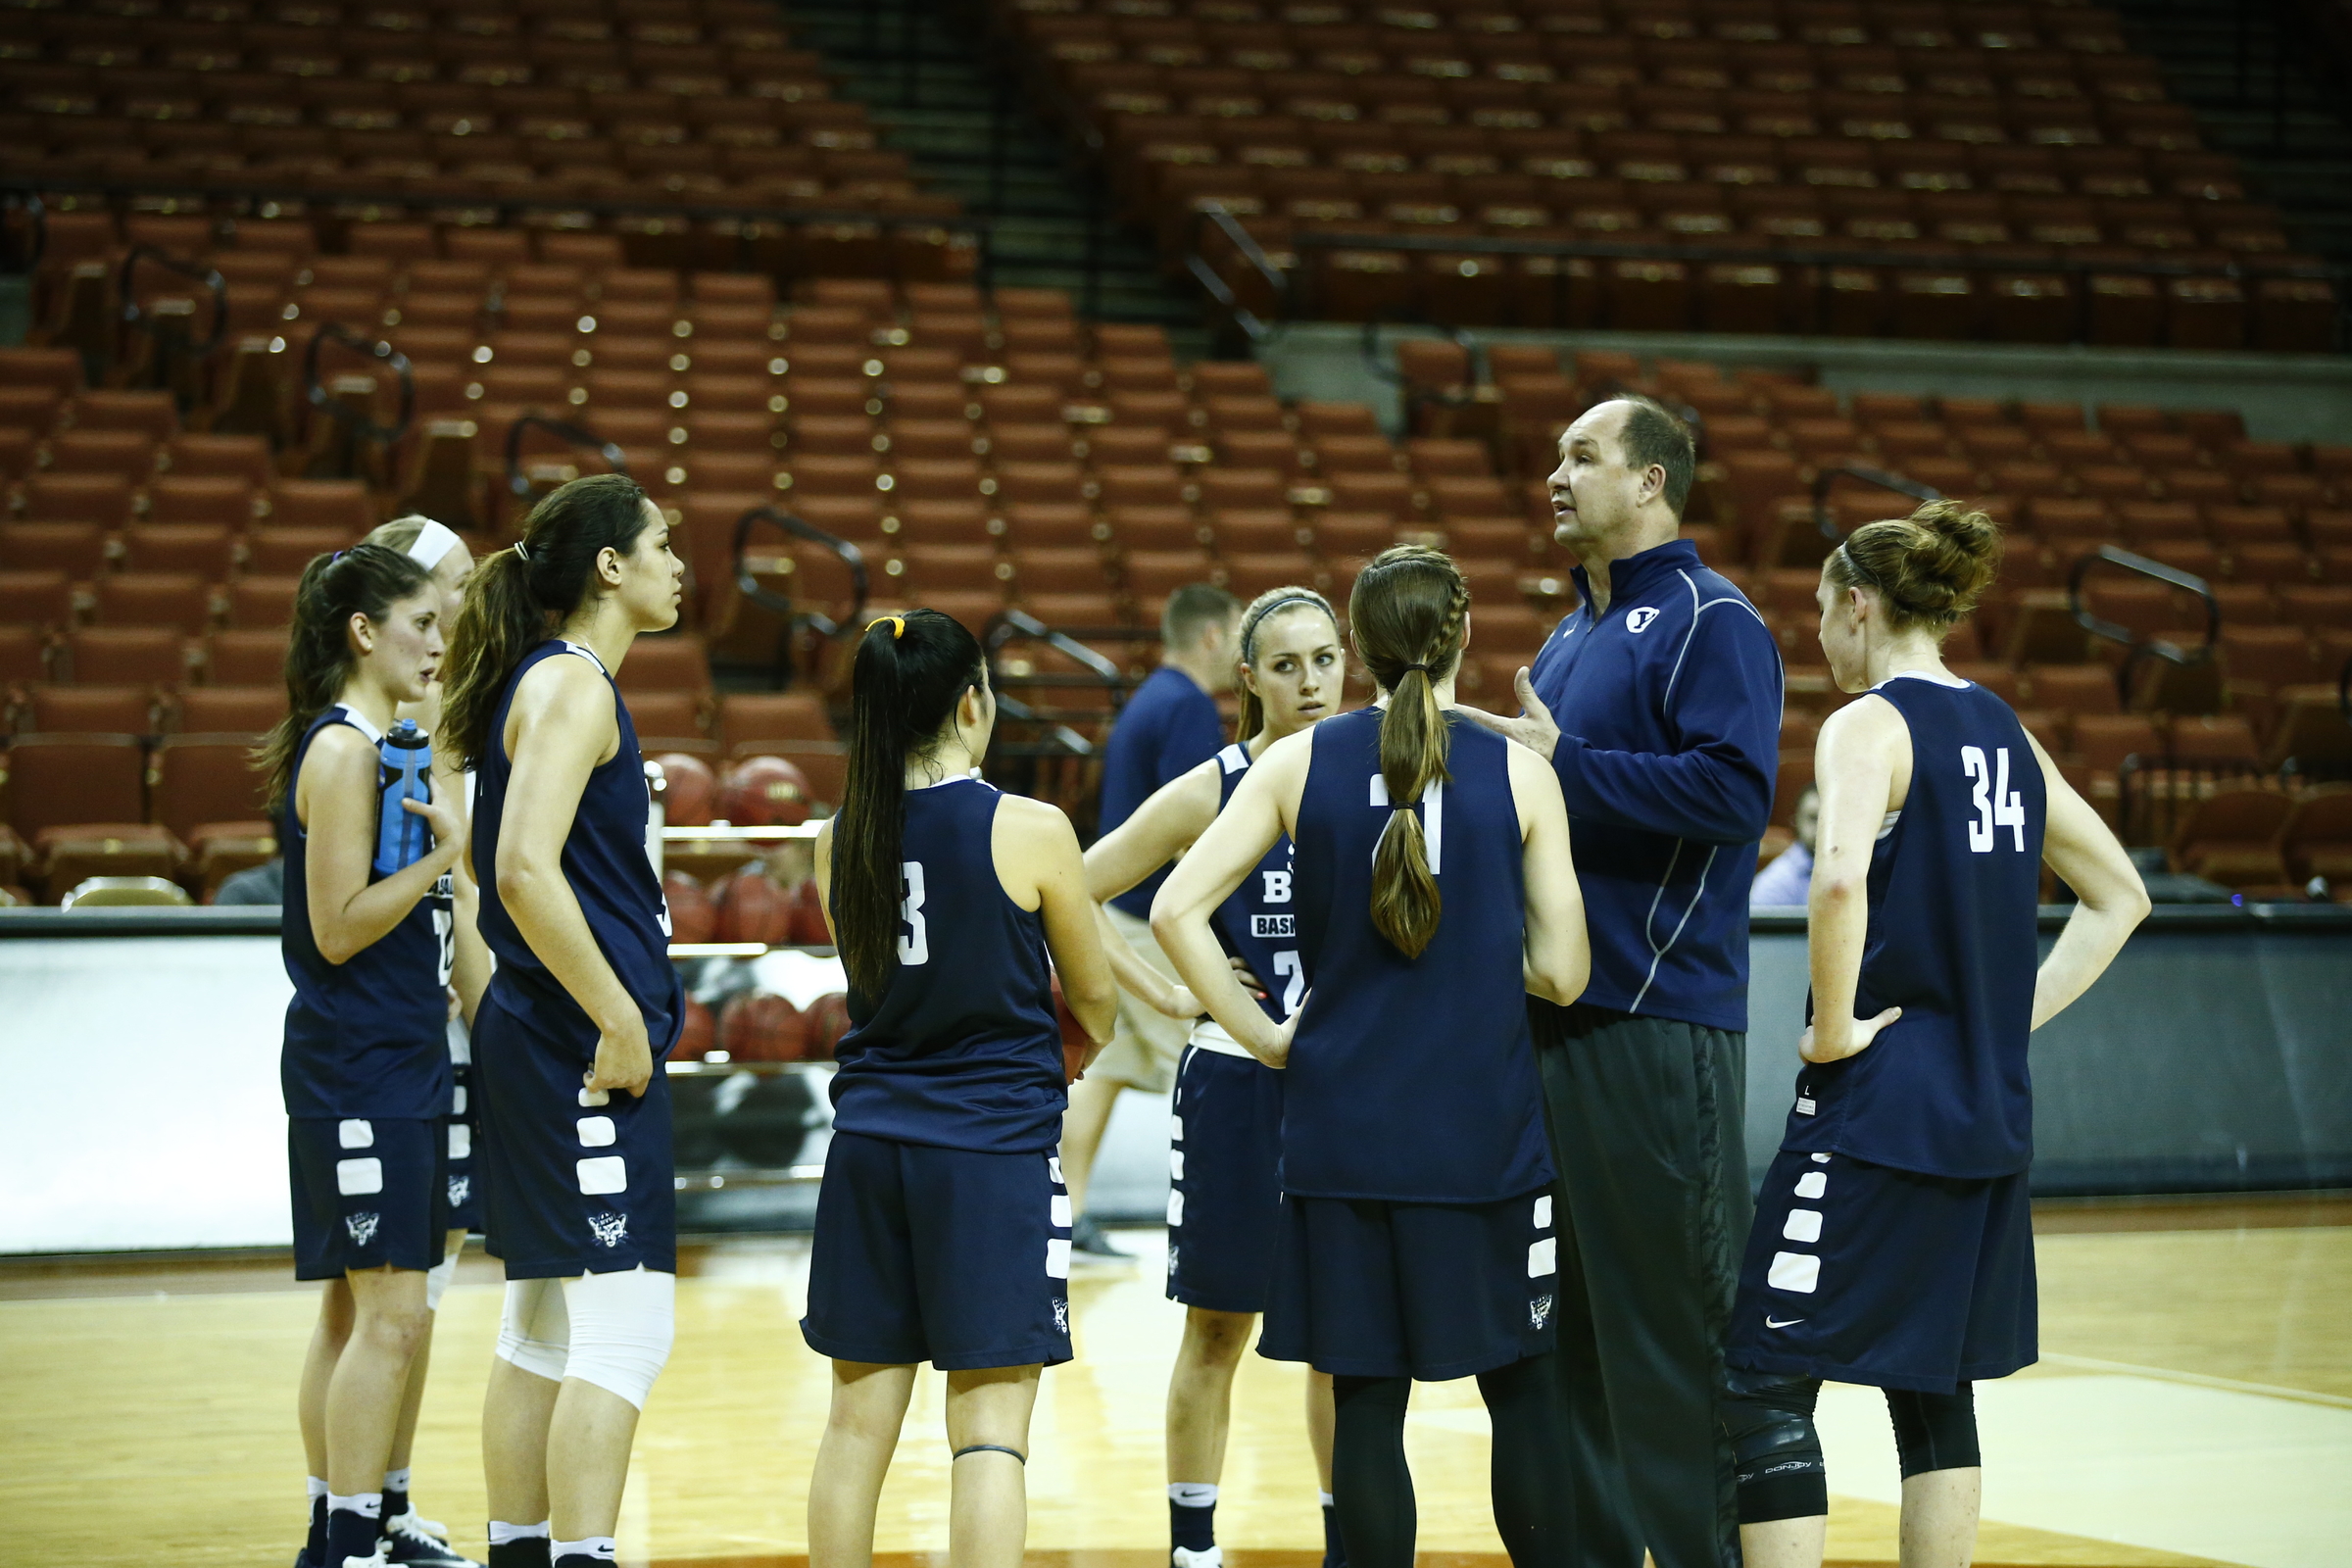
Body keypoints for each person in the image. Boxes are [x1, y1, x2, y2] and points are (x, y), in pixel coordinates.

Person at [1721, 503, 2147, 1568]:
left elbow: (1835, 876)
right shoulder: (2007, 729)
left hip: (1881, 1104)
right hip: (1986, 1109)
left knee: (1765, 1378)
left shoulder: (1870, 721)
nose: (1817, 636)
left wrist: (1827, 1027)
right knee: (1932, 1386)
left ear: (1859, 604)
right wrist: (2010, 1016)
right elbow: (2121, 896)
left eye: (1820, 612)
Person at [1152, 546, 1590, 1568]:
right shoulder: (1521, 770)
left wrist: (1262, 1036)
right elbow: (1565, 972)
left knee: (1368, 1409)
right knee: (1522, 1394)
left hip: (1344, 1141)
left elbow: (1175, 908)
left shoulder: (1296, 763)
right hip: (1484, 1144)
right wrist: (1477, 952)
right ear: (1464, 635)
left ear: (1358, 648)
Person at [1465, 395, 1782, 1568]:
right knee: (1562, 1350)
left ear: (1650, 482)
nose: (1556, 474)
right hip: (1546, 1030)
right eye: (1553, 455)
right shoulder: (1563, 639)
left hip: (1656, 1027)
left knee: (1676, 1345)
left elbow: (1736, 797)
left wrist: (1563, 763)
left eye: (1582, 457)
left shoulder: (1715, 620)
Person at [801, 609, 1118, 1568]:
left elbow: (878, 982)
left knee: (856, 1425)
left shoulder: (838, 835)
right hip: (989, 1154)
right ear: (974, 701)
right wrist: (1069, 1048)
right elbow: (1097, 998)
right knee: (989, 1433)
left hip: (869, 1147)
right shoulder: (1029, 827)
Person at [440, 473, 688, 1568]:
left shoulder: (552, 680)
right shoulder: (575, 685)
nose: (679, 564)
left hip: (545, 1039)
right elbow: (521, 871)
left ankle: (524, 1554)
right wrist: (618, 1016)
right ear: (610, 567)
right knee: (627, 1331)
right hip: (580, 1049)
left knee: (539, 1328)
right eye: (662, 543)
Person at [1082, 587, 1348, 1568]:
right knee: (1218, 1326)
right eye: (1287, 665)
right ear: (1248, 678)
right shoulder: (1216, 782)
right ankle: (1193, 1547)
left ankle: (1343, 1535)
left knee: (1341, 1337)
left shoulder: (1376, 775)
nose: (1311, 680)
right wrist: (1167, 992)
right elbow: (1073, 883)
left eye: (1325, 658)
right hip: (1238, 1077)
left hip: (1346, 1087)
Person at [261, 543, 465, 1568]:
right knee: (390, 1316)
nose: (438, 640)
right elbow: (338, 927)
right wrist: (446, 855)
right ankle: (346, 1544)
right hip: (357, 1066)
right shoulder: (341, 751)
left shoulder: (382, 742)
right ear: (364, 631)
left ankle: (356, 1524)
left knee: (364, 1311)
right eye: (422, 622)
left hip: (399, 1055)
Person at [358, 514, 490, 1568]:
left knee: (417, 1296)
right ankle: (351, 1518)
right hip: (399, 1034)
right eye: (448, 581)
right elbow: (452, 889)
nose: (464, 595)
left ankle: (382, 1504)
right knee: (384, 1304)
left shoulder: (440, 707)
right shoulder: (386, 729)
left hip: (423, 1025)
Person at [1061, 582, 1242, 1256]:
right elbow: (1195, 829)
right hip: (1155, 922)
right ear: (1213, 637)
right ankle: (1222, 1228)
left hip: (1115, 915)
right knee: (1212, 1073)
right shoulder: (1189, 706)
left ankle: (1064, 1214)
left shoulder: (1148, 699)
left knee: (1104, 1074)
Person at [1750, 785, 1820, 907]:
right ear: (1795, 822)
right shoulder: (1775, 883)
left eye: (1831, 820)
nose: (1823, 827)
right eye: (1814, 818)